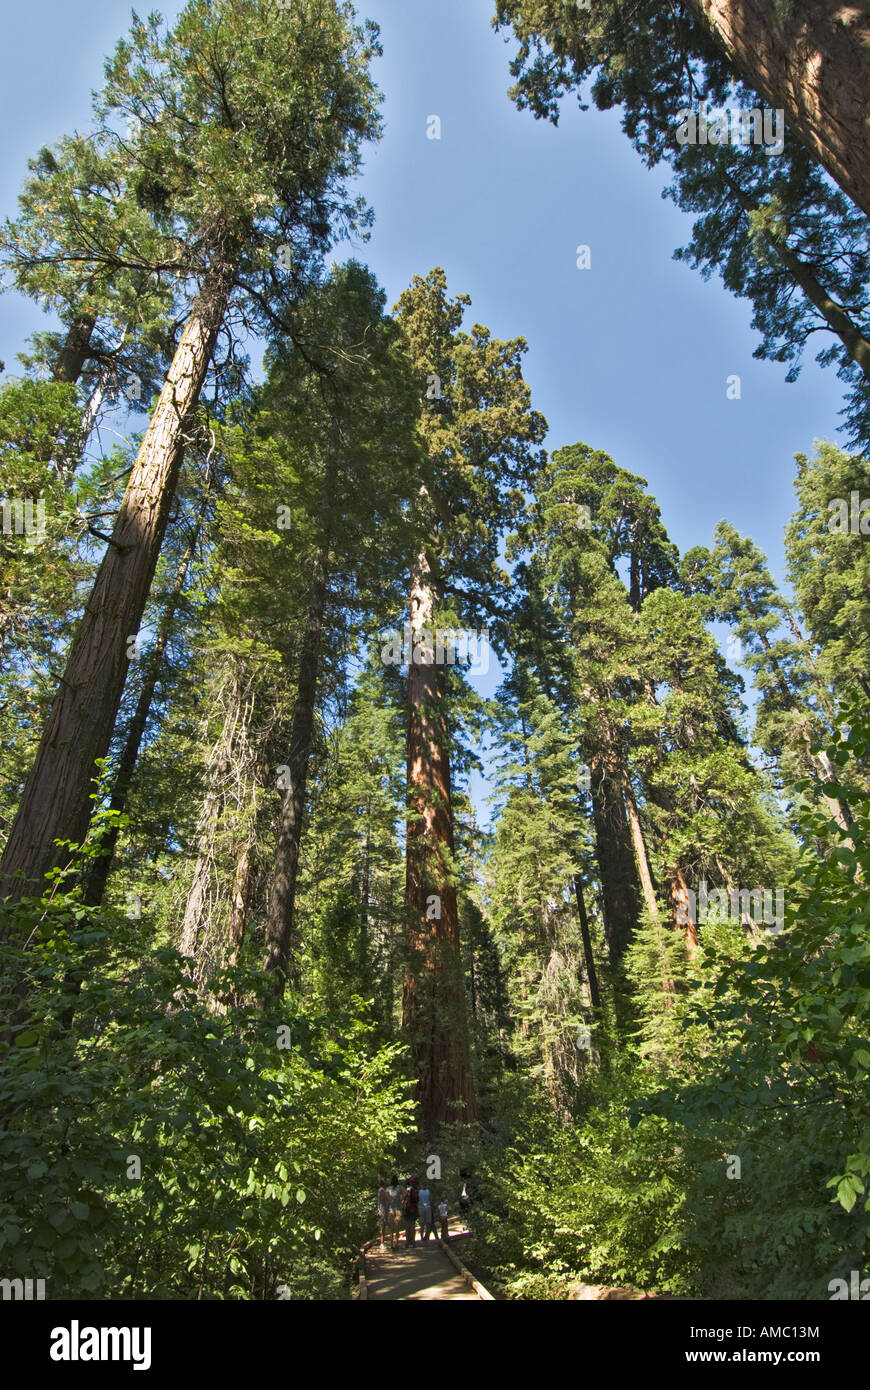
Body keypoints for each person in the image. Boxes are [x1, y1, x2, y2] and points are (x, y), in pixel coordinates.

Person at [386, 1173, 403, 1251]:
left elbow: (386, 1198)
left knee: (391, 1227)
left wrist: (390, 1201)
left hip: (391, 1209)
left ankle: (391, 1243)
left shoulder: (388, 1189)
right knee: (397, 1227)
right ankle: (396, 1243)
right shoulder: (400, 1188)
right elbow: (406, 1193)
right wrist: (402, 1200)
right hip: (398, 1209)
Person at [403, 1175, 419, 1247]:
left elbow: (403, 1198)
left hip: (406, 1209)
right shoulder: (415, 1189)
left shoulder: (406, 1189)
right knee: (412, 1226)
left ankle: (407, 1242)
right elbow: (416, 1199)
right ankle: (413, 1242)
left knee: (407, 1226)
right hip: (413, 1209)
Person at [377, 1174, 389, 1251]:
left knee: (384, 1226)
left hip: (383, 1208)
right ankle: (381, 1243)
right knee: (382, 1226)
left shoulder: (383, 1190)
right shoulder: (381, 1190)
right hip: (383, 1209)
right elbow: (382, 1201)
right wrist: (384, 1210)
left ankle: (383, 1242)